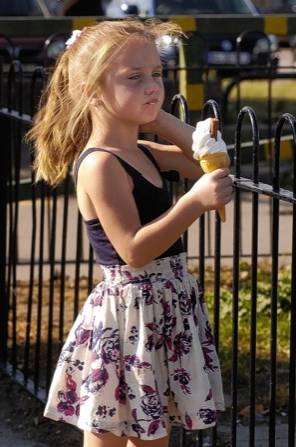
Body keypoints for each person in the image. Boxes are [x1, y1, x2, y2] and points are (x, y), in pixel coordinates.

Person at [25, 18, 233, 447]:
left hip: (162, 314)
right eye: (134, 77)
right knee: (112, 438)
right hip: (128, 322)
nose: (152, 84)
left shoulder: (143, 151)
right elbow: (133, 251)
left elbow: (210, 162)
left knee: (153, 438)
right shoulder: (101, 164)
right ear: (91, 90)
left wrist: (159, 120)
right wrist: (193, 202)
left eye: (156, 73)